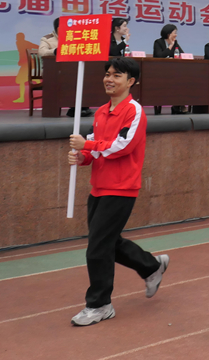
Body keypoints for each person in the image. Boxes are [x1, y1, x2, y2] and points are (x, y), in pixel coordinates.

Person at [66, 58, 168, 327]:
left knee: (97, 247)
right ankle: (151, 267)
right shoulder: (100, 112)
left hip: (121, 188)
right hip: (99, 186)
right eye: (107, 74)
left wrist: (88, 143)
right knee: (108, 242)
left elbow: (122, 146)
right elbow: (94, 151)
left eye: (117, 75)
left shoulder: (134, 111)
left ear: (131, 81)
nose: (109, 79)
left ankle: (100, 304)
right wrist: (83, 157)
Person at [152, 25, 185, 115]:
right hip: (160, 71)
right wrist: (170, 46)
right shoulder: (158, 42)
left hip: (173, 71)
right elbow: (159, 56)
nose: (176, 35)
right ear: (168, 33)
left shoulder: (175, 42)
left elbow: (182, 54)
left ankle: (177, 106)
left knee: (181, 81)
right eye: (174, 33)